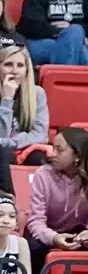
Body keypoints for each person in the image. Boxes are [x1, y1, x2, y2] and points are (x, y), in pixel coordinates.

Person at [25, 127, 88, 264]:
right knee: (33, 247)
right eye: (53, 148)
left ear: (78, 155)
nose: (52, 154)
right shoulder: (42, 174)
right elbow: (36, 221)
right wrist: (54, 238)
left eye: (60, 150)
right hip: (47, 230)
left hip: (78, 232)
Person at [0, 43, 45, 179]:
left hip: (25, 149)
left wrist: (10, 142)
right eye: (8, 65)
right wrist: (7, 99)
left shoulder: (37, 93)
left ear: (27, 69)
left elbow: (40, 134)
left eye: (20, 65)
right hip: (3, 151)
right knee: (3, 155)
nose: (14, 71)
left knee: (42, 159)